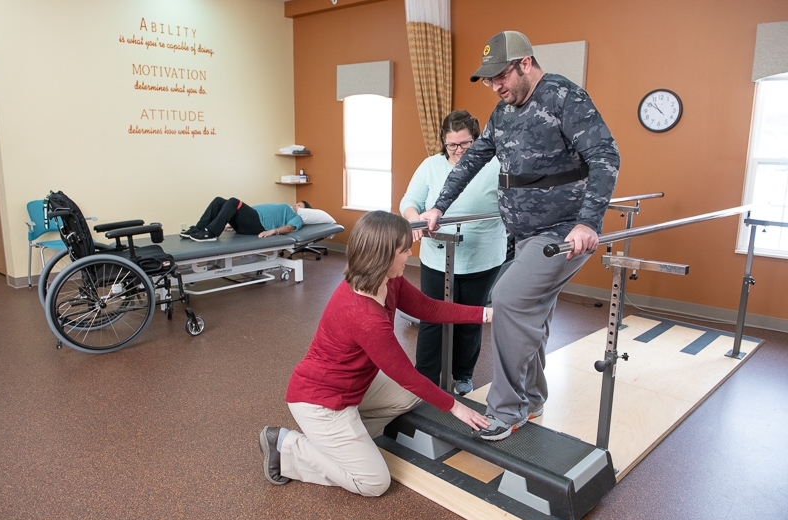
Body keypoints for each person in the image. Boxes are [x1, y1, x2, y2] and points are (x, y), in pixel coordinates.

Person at [420, 31, 620, 441]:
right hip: (524, 234)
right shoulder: (503, 111)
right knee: (532, 315)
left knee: (508, 300)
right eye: (489, 80)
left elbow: (605, 155)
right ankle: (532, 398)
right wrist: (439, 205)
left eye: (501, 76)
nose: (495, 86)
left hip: (562, 232)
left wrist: (588, 223)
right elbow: (472, 159)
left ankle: (506, 410)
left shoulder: (564, 97)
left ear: (525, 64)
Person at [258, 210, 490, 495]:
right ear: (383, 255)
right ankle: (287, 446)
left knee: (413, 394)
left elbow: (428, 309)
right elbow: (405, 374)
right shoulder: (365, 315)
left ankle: (345, 439)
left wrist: (486, 314)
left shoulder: (387, 280)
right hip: (321, 402)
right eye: (404, 250)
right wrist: (456, 407)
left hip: (354, 388)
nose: (409, 254)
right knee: (373, 483)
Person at [400, 110, 506, 396]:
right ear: (443, 143)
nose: (458, 151)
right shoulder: (431, 166)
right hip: (437, 256)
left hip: (483, 256)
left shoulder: (495, 165)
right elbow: (410, 200)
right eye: (452, 145)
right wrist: (414, 218)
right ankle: (425, 380)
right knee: (432, 318)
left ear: (478, 139)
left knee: (469, 320)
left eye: (465, 144)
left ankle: (462, 375)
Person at [179, 198, 312, 242]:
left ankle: (211, 233)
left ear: (304, 210)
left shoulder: (296, 217)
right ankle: (198, 229)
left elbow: (289, 228)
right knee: (219, 200)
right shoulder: (281, 205)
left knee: (233, 201)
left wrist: (273, 231)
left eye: (299, 205)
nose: (295, 205)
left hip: (258, 225)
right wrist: (230, 220)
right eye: (297, 203)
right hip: (249, 221)